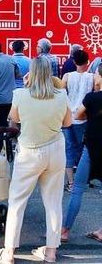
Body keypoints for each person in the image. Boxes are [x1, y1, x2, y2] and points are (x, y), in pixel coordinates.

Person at [0, 56, 71, 264]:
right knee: (53, 203)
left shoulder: (20, 94)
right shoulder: (61, 95)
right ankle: (50, 252)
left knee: (17, 202)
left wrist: (26, 86)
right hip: (55, 150)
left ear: (31, 73)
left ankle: (8, 253)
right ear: (51, 73)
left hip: (29, 152)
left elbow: (14, 119)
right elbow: (68, 122)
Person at [61, 64, 102, 243]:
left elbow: (78, 115)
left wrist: (92, 117)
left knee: (77, 189)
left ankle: (64, 231)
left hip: (92, 147)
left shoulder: (92, 98)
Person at [61, 50, 95, 191]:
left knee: (69, 150)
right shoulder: (94, 77)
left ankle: (71, 183)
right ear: (87, 62)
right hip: (84, 117)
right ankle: (83, 181)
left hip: (68, 117)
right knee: (84, 150)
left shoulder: (67, 76)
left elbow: (60, 94)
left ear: (74, 62)